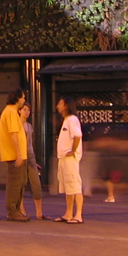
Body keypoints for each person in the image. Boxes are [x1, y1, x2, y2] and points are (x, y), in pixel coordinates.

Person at [0, 88, 29, 222]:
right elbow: (13, 134)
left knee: (21, 182)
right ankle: (12, 210)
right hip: (14, 155)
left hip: (18, 155)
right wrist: (18, 153)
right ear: (17, 98)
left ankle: (16, 209)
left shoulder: (13, 112)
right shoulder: (10, 112)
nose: (24, 100)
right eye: (22, 97)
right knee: (15, 182)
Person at [54, 96, 84, 224]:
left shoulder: (72, 119)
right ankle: (68, 213)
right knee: (68, 186)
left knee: (74, 185)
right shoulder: (66, 120)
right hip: (64, 158)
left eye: (60, 103)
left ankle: (78, 215)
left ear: (66, 105)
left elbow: (77, 135)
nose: (57, 106)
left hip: (70, 158)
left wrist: (73, 150)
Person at [18, 103, 47, 220]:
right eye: (24, 109)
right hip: (20, 155)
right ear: (19, 111)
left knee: (36, 183)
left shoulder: (29, 126)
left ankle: (39, 211)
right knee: (21, 183)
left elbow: (30, 143)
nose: (27, 112)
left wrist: (33, 159)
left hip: (30, 155)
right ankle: (21, 209)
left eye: (28, 110)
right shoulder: (16, 125)